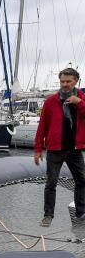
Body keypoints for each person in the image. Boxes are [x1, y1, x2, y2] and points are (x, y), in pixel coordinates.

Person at [34, 67, 85, 227]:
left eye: (68, 81)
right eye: (62, 81)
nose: (65, 84)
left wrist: (80, 103)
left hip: (75, 149)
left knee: (82, 180)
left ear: (76, 81)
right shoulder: (51, 101)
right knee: (51, 183)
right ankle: (48, 215)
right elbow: (42, 125)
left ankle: (81, 213)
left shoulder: (82, 98)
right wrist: (37, 149)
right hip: (55, 149)